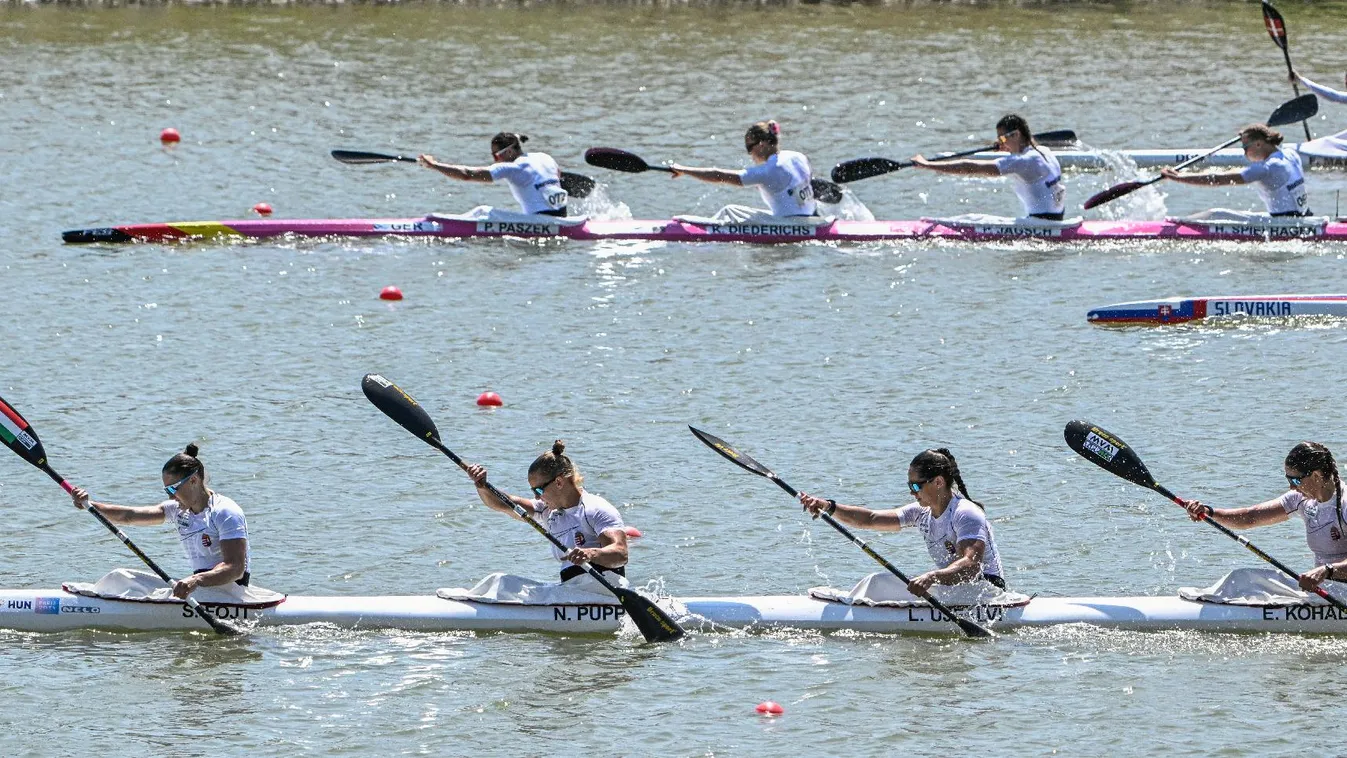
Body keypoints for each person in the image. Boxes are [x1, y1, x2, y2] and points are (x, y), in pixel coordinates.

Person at [797, 448, 1005, 594]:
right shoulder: (920, 512)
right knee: (877, 583)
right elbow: (870, 519)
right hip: (954, 590)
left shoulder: (966, 513)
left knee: (877, 584)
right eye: (909, 485)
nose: (911, 492)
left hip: (986, 592)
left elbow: (971, 566)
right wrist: (827, 506)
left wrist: (931, 577)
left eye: (916, 486)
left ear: (939, 482)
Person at [67, 444, 250, 599]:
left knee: (130, 586)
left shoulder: (224, 511)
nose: (170, 495)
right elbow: (128, 515)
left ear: (193, 480)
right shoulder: (177, 510)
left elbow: (235, 568)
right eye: (166, 490)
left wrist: (195, 580)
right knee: (120, 577)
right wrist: (89, 505)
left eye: (172, 488)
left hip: (229, 592)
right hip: (200, 590)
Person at [1183, 442, 1345, 593]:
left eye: (1295, 480)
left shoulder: (1344, 504)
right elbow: (1250, 517)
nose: (1291, 486)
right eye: (1288, 479)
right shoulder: (1300, 499)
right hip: (1324, 590)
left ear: (1316, 476)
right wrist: (1209, 512)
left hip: (1340, 594)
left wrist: (1327, 570)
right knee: (1244, 579)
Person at [467, 440, 628, 582]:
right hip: (572, 592)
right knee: (501, 582)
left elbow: (621, 553)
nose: (536, 498)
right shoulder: (547, 511)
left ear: (558, 482)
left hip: (603, 591)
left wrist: (591, 554)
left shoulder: (595, 508)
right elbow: (504, 504)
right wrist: (481, 486)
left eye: (538, 491)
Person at [910, 114, 1065, 220]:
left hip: (1040, 224)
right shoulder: (1045, 152)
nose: (1000, 142)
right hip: (1057, 219)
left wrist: (928, 165)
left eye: (1003, 137)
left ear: (1016, 135)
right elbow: (1023, 162)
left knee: (971, 219)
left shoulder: (1022, 162)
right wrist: (1009, 148)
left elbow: (968, 167)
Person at [668, 120, 818, 217]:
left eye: (749, 147)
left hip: (790, 225)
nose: (749, 153)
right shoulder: (798, 156)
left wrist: (683, 169)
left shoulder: (767, 171)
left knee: (730, 211)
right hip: (811, 217)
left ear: (762, 145)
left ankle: (701, 232)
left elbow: (719, 175)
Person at [1160, 124, 1311, 217]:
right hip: (1304, 217)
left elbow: (1218, 180)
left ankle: (1174, 224)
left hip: (1286, 225)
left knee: (1216, 215)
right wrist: (1248, 135)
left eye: (1245, 147)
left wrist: (1178, 177)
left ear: (1258, 144)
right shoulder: (1291, 154)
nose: (1244, 153)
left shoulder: (1267, 168)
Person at [418, 132, 568, 217]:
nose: (495, 160)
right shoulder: (545, 157)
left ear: (509, 151)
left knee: (483, 212)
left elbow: (466, 174)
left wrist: (434, 165)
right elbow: (557, 177)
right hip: (562, 218)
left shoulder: (513, 167)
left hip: (539, 223)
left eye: (496, 156)